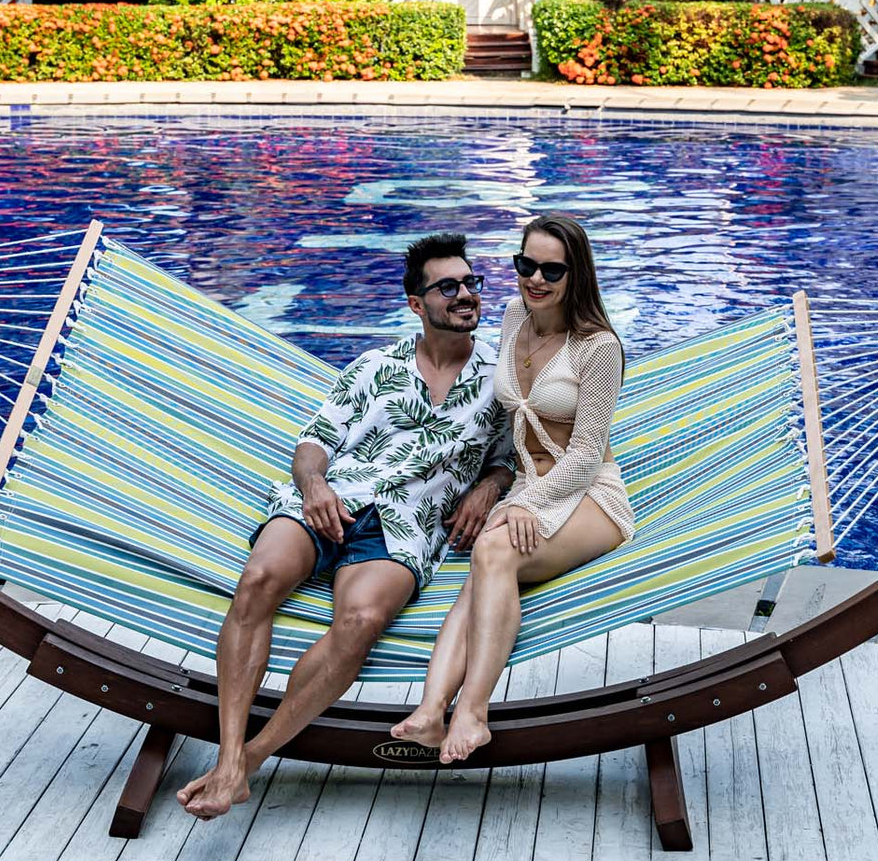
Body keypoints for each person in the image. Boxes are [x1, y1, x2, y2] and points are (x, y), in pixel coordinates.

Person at [178, 232, 514, 819]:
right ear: (417, 304)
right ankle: (230, 756)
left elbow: (513, 458)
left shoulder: (503, 378)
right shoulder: (373, 367)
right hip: (331, 500)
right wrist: (315, 489)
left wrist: (488, 485)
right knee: (258, 578)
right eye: (448, 286)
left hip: (408, 525)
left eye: (471, 283)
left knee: (360, 620)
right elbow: (314, 444)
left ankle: (246, 762)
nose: (466, 294)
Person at [392, 213, 632, 763]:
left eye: (552, 269)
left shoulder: (598, 348)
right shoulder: (513, 315)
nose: (536, 279)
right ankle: (431, 712)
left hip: (592, 494)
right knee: (486, 564)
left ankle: (471, 713)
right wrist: (504, 485)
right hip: (529, 484)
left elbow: (587, 453)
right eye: (526, 265)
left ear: (577, 275)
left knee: (492, 550)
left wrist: (521, 502)